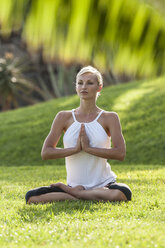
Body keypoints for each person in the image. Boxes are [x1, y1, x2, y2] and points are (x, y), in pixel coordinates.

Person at [25, 66, 132, 204]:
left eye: (90, 83)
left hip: (105, 185)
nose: (84, 87)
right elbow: (46, 153)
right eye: (80, 83)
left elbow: (120, 153)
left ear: (99, 87)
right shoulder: (63, 117)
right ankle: (80, 193)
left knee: (123, 193)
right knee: (31, 197)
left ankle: (75, 194)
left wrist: (88, 149)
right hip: (75, 185)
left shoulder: (109, 117)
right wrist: (75, 149)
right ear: (76, 87)